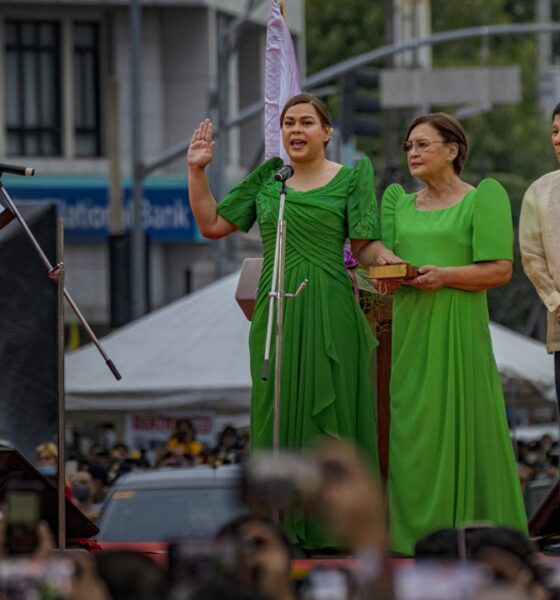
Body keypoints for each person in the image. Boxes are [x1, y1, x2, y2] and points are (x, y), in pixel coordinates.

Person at [187, 93, 398, 550]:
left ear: (327, 132)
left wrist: (391, 261)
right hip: (275, 304)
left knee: (336, 412)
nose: (295, 130)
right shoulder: (270, 180)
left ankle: (337, 530)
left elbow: (365, 245)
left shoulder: (351, 178)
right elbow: (212, 223)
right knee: (274, 411)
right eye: (287, 123)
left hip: (331, 301)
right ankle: (280, 525)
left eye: (306, 122)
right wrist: (197, 170)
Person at [381, 112, 527, 556]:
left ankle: (476, 535)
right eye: (409, 147)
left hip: (460, 331)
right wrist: (387, 267)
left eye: (423, 144)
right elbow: (382, 262)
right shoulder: (397, 203)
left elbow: (500, 269)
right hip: (410, 331)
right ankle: (410, 539)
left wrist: (445, 275)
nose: (413, 153)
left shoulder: (482, 198)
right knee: (412, 427)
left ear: (453, 149)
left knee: (467, 422)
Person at [519, 101, 560, 412]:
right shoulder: (539, 191)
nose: (557, 139)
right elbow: (532, 257)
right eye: (555, 131)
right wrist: (555, 302)